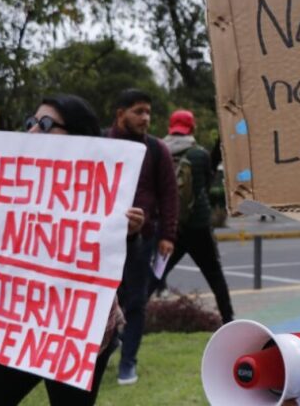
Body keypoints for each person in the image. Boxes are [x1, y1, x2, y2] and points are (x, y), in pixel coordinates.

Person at [0, 94, 140, 405]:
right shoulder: (11, 180)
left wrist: (128, 233)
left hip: (77, 329)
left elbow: (112, 262)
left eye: (46, 124)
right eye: (31, 123)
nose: (34, 130)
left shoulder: (104, 191)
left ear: (77, 135)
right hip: (20, 320)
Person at [108, 88, 178, 385]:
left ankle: (128, 362)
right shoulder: (100, 142)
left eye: (148, 112)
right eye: (139, 111)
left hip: (142, 240)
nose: (146, 118)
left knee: (136, 301)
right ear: (120, 114)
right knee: (104, 300)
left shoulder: (157, 149)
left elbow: (169, 194)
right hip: (103, 240)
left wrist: (167, 235)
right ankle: (103, 349)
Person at [148, 110, 234, 324]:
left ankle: (131, 319)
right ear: (192, 128)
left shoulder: (159, 151)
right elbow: (205, 185)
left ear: (171, 127)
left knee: (155, 274)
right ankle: (229, 320)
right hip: (199, 226)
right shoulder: (200, 154)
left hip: (170, 227)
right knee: (215, 276)